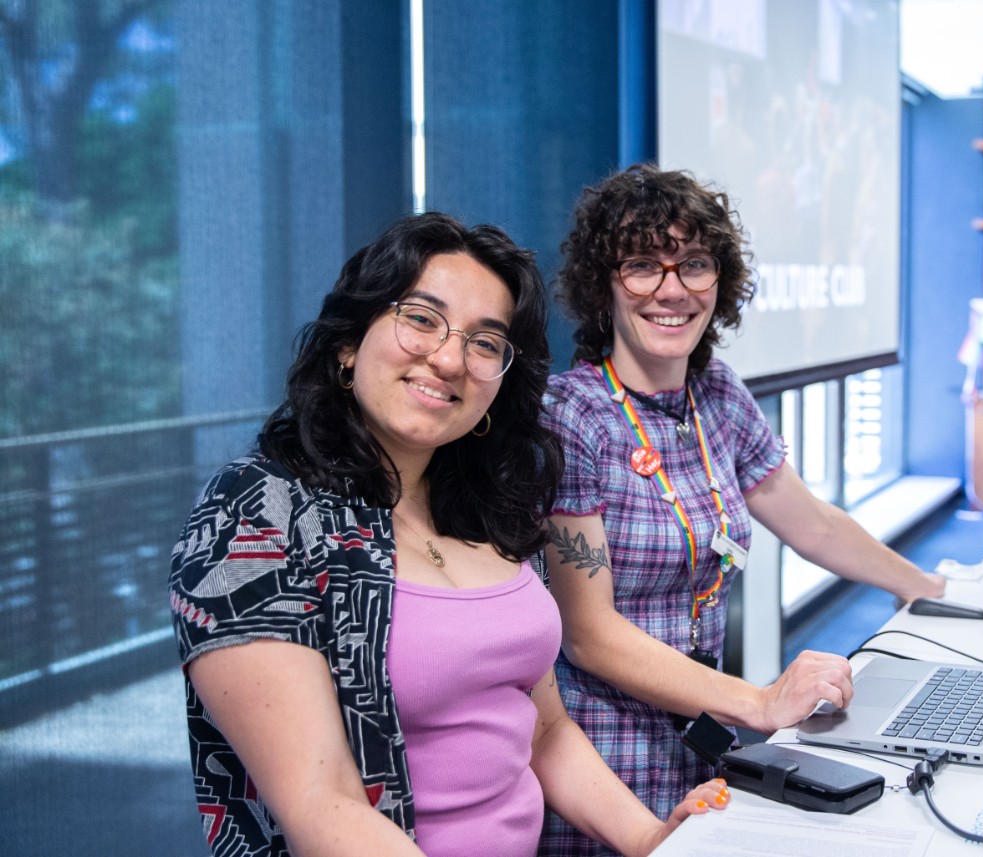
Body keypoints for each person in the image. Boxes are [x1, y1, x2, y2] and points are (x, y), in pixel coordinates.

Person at [168, 212, 729, 857]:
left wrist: (650, 840)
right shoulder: (256, 514)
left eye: (485, 343)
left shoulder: (486, 507)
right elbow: (321, 807)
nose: (449, 357)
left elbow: (543, 732)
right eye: (421, 318)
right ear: (349, 342)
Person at [539, 164, 946, 854]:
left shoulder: (716, 395)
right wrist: (758, 701)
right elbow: (590, 634)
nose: (672, 288)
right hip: (602, 758)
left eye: (693, 263)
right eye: (642, 265)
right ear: (603, 284)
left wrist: (932, 590)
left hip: (701, 740)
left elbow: (810, 520)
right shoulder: (573, 415)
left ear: (718, 281)